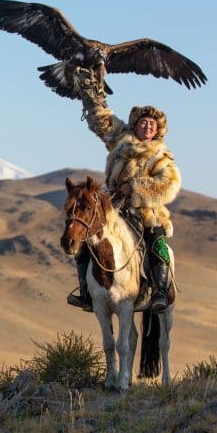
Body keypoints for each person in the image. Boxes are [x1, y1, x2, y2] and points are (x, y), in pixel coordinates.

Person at [68, 66, 181, 313]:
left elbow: (169, 184)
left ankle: (160, 293)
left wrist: (137, 188)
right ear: (135, 125)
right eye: (143, 122)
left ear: (158, 130)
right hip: (114, 207)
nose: (148, 126)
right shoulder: (120, 139)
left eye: (152, 123)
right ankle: (86, 292)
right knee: (86, 241)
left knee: (157, 244)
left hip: (146, 212)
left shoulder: (162, 156)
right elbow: (103, 120)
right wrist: (90, 95)